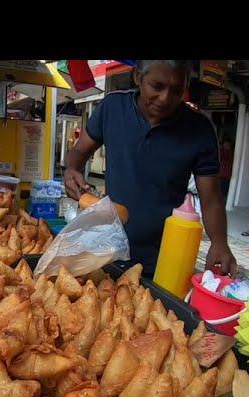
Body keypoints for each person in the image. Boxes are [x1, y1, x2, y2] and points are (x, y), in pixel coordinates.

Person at [64, 60, 237, 278]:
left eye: (176, 90)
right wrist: (71, 169)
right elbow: (79, 151)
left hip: (166, 254)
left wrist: (220, 243)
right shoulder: (113, 108)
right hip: (107, 243)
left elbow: (211, 197)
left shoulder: (199, 130)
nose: (165, 98)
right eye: (157, 86)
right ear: (137, 77)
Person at [218, 138, 234, 204]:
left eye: (226, 144)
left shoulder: (228, 152)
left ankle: (221, 205)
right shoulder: (224, 151)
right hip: (221, 175)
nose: (225, 145)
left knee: (222, 193)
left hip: (224, 176)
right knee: (221, 192)